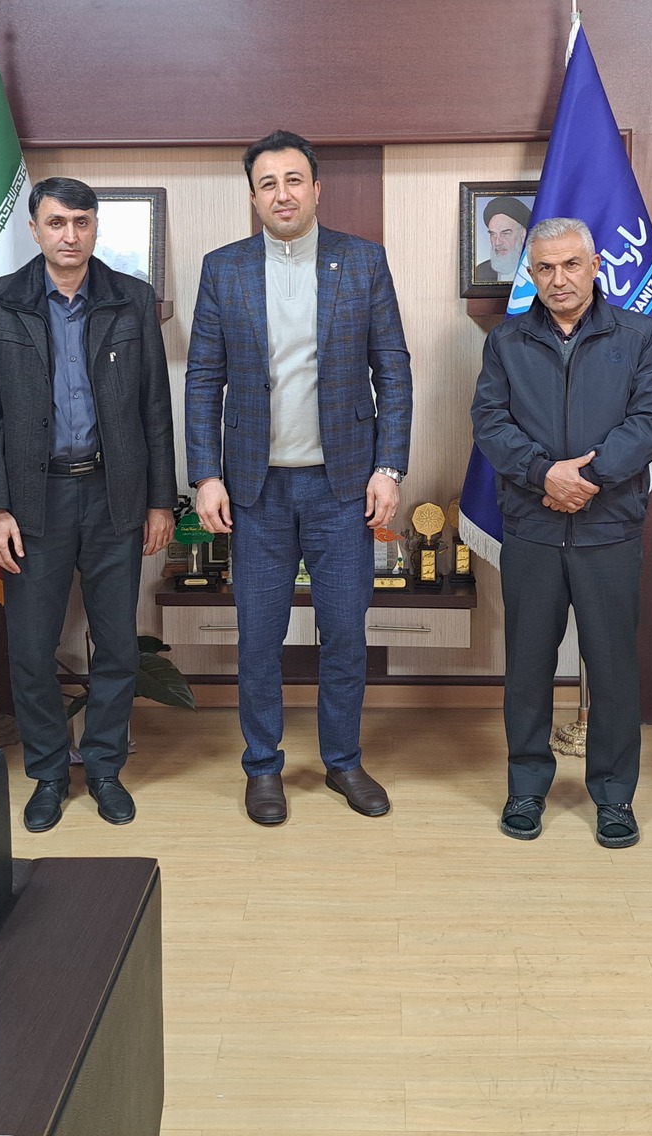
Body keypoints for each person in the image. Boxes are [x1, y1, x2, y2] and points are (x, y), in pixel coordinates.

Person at [187, 130, 413, 826]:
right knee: (259, 639)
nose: (281, 194)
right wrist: (205, 475)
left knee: (344, 633)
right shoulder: (223, 269)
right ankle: (263, 767)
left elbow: (393, 370)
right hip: (254, 491)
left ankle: (343, 761)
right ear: (253, 196)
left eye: (293, 180)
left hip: (341, 487)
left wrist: (389, 466)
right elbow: (203, 379)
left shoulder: (362, 261)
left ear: (316, 188)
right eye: (267, 183)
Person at [0, 177, 177, 832]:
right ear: (34, 229)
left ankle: (106, 769)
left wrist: (160, 502)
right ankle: (49, 774)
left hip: (115, 495)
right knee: (32, 648)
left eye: (81, 222)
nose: (70, 235)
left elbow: (154, 407)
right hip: (34, 501)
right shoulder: (0, 300)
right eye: (57, 222)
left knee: (115, 644)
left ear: (95, 228)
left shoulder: (130, 298)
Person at [471, 217, 652, 848]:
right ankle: (526, 786)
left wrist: (587, 478)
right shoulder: (506, 342)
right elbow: (490, 422)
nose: (558, 279)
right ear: (530, 275)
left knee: (612, 667)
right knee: (527, 665)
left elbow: (650, 420)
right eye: (545, 268)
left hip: (609, 526)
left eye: (570, 265)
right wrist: (544, 474)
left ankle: (613, 796)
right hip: (532, 527)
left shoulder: (640, 335)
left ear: (594, 267)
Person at [471, 196, 532, 286]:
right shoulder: (480, 272)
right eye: (493, 234)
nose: (497, 242)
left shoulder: (537, 270)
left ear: (523, 234)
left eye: (505, 234)